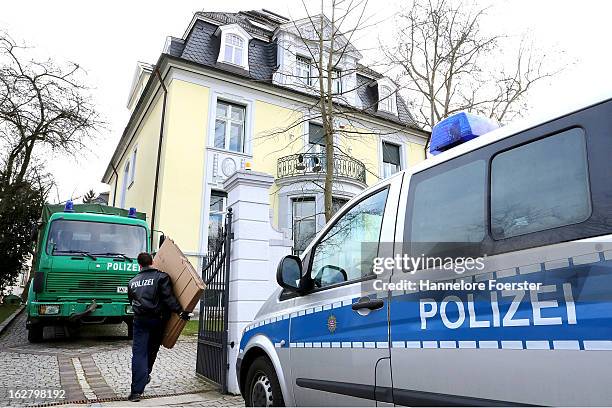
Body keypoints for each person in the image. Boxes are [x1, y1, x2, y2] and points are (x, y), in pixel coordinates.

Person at [127, 252, 189, 402]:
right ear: (153, 262)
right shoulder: (161, 277)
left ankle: (136, 392)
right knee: (152, 350)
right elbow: (168, 298)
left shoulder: (132, 281)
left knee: (139, 354)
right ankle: (144, 375)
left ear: (139, 265)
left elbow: (131, 301)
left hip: (140, 321)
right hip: (157, 320)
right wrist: (180, 311)